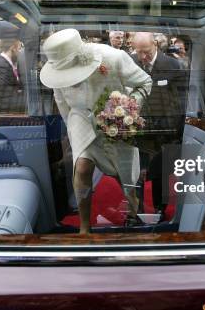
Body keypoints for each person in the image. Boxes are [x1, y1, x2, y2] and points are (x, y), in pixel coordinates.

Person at [40, 28, 152, 234]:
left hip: (114, 120)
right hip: (80, 120)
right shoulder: (56, 71)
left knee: (123, 173)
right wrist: (71, 130)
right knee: (82, 167)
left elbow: (145, 82)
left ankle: (134, 210)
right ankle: (84, 226)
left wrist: (127, 108)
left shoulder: (114, 57)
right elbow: (61, 102)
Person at [131, 32, 187, 218]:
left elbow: (180, 98)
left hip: (164, 128)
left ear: (155, 44)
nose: (142, 57)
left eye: (146, 51)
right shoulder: (131, 61)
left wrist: (175, 126)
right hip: (137, 127)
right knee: (135, 171)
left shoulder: (172, 65)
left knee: (160, 173)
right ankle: (135, 210)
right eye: (138, 52)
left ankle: (160, 210)